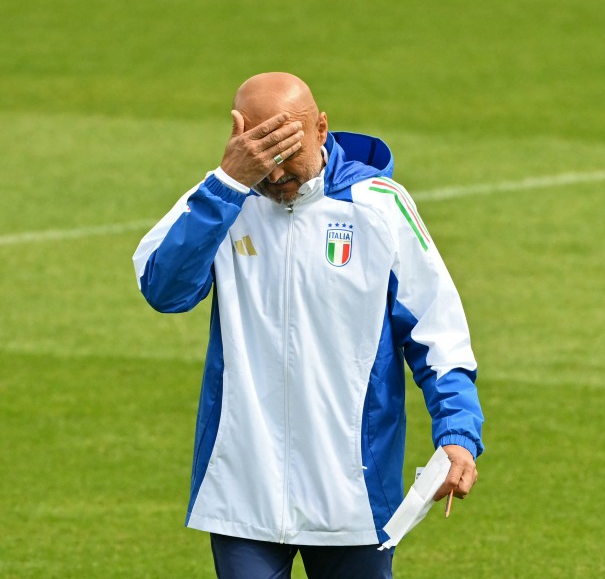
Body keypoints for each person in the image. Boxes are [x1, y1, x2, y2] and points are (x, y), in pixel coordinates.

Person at [132, 73, 483, 579]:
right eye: (262, 157)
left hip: (352, 495)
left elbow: (438, 333)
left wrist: (457, 433)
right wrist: (229, 183)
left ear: (321, 128)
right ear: (238, 136)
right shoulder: (222, 200)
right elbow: (165, 291)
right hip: (243, 490)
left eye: (287, 154)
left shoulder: (379, 206)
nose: (275, 177)